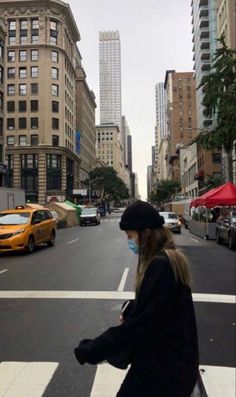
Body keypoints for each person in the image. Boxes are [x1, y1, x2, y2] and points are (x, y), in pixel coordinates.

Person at [74, 200, 199, 397]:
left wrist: (92, 349)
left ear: (146, 233)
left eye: (131, 235)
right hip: (171, 365)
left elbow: (140, 327)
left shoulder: (160, 266)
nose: (129, 241)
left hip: (164, 372)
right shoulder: (170, 260)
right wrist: (133, 307)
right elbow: (161, 311)